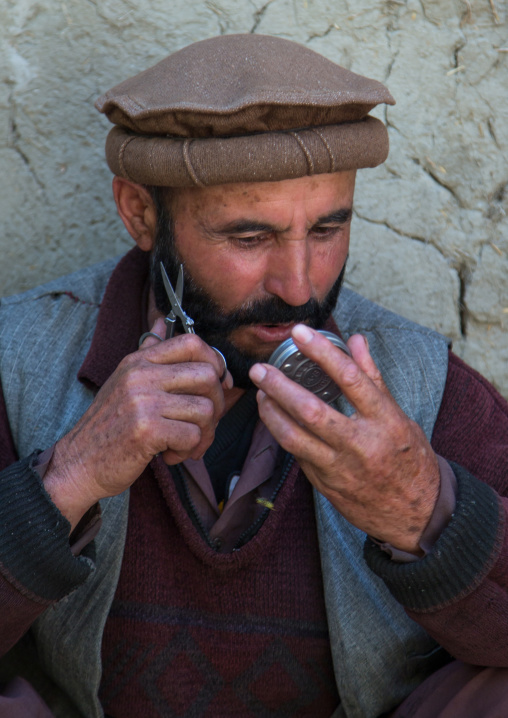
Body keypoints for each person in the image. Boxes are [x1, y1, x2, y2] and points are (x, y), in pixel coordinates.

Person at [0, 33, 507, 718]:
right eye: (249, 238)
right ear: (141, 213)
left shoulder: (418, 380)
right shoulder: (21, 358)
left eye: (327, 230)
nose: (299, 287)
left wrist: (422, 509)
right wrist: (68, 479)